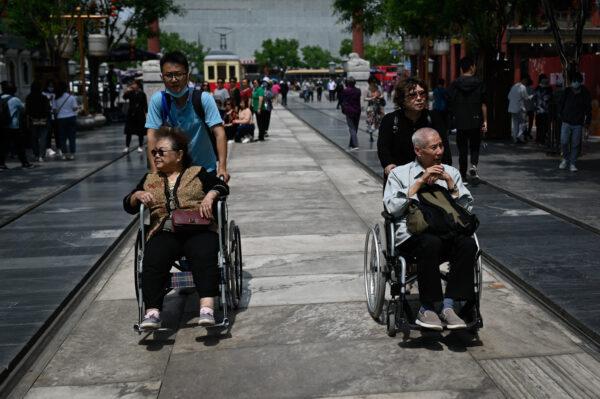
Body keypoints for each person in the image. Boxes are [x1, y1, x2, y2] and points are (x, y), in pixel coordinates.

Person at [123, 127, 229, 329]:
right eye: (154, 152)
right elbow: (127, 205)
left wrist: (210, 195)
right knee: (153, 256)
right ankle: (152, 312)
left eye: (161, 152)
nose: (156, 156)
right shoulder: (149, 179)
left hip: (197, 228)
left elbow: (222, 186)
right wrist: (136, 196)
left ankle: (206, 308)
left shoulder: (196, 173)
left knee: (204, 252)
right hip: (164, 231)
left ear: (179, 154)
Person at [384, 127, 475, 330]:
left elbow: (466, 212)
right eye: (434, 147)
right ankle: (428, 307)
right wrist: (419, 182)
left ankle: (449, 306)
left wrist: (451, 185)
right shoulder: (399, 174)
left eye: (441, 145)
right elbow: (391, 209)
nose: (440, 151)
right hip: (413, 235)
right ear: (418, 151)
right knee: (430, 241)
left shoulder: (451, 172)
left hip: (448, 232)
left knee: (467, 244)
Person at [145, 51, 229, 181]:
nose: (174, 80)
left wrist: (222, 168)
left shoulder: (203, 99)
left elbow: (220, 133)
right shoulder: (158, 101)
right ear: (162, 77)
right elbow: (151, 137)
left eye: (178, 74)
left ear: (188, 75)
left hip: (204, 170)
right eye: (169, 75)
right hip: (171, 173)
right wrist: (155, 172)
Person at [378, 77, 452, 182]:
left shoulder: (434, 118)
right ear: (402, 99)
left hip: (430, 178)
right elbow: (383, 148)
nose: (419, 98)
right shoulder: (390, 120)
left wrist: (442, 170)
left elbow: (444, 148)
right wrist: (388, 165)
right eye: (413, 95)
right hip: (400, 179)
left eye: (422, 93)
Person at [448, 57, 487, 182]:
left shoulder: (455, 84)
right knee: (475, 145)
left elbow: (450, 102)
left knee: (462, 149)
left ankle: (463, 174)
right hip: (476, 119)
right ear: (472, 67)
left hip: (460, 121)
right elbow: (483, 104)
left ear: (461, 68)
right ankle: (474, 165)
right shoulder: (479, 83)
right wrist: (485, 121)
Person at [557, 71, 592, 172]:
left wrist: (587, 123)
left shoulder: (585, 93)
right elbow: (560, 103)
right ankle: (565, 159)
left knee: (576, 144)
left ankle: (572, 163)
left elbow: (588, 109)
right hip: (566, 121)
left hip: (578, 122)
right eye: (573, 81)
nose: (575, 83)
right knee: (564, 141)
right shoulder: (567, 91)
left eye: (577, 81)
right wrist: (560, 114)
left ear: (580, 82)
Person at [1, 81, 33, 169]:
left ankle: (1, 164)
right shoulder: (15, 99)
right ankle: (25, 163)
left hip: (2, 126)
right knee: (19, 145)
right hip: (14, 126)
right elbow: (23, 110)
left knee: (3, 146)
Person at [25, 81, 52, 162]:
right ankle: (41, 155)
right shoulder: (44, 98)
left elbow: (27, 110)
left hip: (33, 120)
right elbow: (48, 109)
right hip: (43, 119)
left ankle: (36, 154)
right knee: (43, 138)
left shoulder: (28, 97)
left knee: (34, 138)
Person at [53, 81, 79, 161]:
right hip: (71, 118)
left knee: (62, 138)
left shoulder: (56, 98)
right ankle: (72, 154)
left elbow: (54, 110)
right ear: (66, 88)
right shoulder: (71, 97)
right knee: (71, 137)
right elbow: (75, 108)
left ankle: (64, 154)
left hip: (61, 119)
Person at [122, 80, 148, 153]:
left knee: (140, 132)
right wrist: (127, 90)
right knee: (128, 131)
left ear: (138, 85)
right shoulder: (130, 93)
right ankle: (127, 146)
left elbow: (145, 105)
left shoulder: (142, 94)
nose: (133, 85)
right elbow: (124, 97)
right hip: (131, 114)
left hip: (139, 114)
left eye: (134, 84)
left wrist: (146, 115)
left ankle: (140, 146)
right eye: (132, 84)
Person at [507, 75, 531, 144]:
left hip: (512, 107)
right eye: (526, 80)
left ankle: (515, 137)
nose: (526, 82)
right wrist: (531, 97)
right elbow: (526, 97)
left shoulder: (514, 86)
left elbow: (509, 96)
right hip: (520, 108)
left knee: (515, 123)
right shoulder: (522, 87)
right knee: (523, 123)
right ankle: (519, 136)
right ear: (524, 80)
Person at [340, 76, 361, 150]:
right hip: (357, 111)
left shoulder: (345, 91)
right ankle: (351, 144)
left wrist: (343, 109)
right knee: (355, 128)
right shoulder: (358, 90)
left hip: (349, 111)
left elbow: (343, 101)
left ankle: (355, 145)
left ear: (347, 83)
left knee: (352, 128)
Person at [533, 74, 553, 145]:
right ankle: (540, 139)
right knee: (540, 125)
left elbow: (551, 99)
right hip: (540, 111)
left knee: (544, 126)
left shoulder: (549, 89)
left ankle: (542, 139)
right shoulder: (538, 88)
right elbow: (534, 99)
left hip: (545, 111)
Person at [365, 77, 385, 142]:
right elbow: (364, 98)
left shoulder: (379, 88)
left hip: (379, 107)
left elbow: (382, 95)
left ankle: (381, 136)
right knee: (371, 121)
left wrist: (379, 97)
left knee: (380, 121)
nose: (373, 83)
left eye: (374, 82)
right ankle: (371, 136)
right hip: (371, 108)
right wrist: (371, 98)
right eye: (372, 82)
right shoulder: (367, 89)